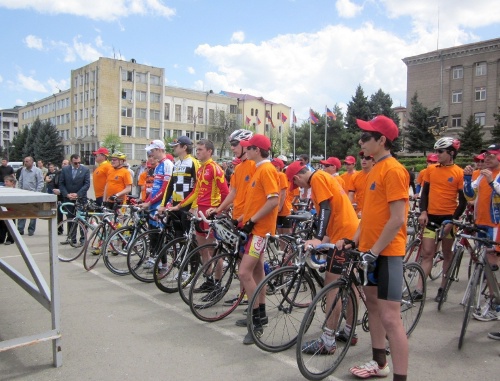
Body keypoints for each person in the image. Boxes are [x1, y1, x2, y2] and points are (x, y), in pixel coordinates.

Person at [337, 115, 409, 380]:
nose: (361, 141)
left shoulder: (394, 170)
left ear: (382, 140)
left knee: (391, 318)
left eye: (366, 137)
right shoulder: (372, 172)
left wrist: (375, 250)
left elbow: (398, 219)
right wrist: (354, 240)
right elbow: (367, 216)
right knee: (373, 306)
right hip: (371, 250)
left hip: (387, 252)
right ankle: (380, 364)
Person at [286, 157, 359, 351]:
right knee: (350, 285)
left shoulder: (317, 178)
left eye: (295, 182)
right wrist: (325, 238)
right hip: (344, 231)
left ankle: (328, 340)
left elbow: (325, 208)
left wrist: (318, 239)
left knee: (332, 284)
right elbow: (330, 211)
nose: (297, 186)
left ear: (298, 176)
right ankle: (350, 330)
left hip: (344, 234)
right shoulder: (322, 177)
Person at [237, 134, 279, 345]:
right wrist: (244, 217)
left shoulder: (267, 169)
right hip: (256, 229)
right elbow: (259, 200)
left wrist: (252, 220)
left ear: (258, 150)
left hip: (260, 232)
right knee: (256, 272)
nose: (246, 150)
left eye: (249, 147)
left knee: (244, 272)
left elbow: (273, 200)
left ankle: (256, 323)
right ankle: (261, 314)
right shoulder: (258, 169)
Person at [205, 129, 255, 307]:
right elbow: (233, 192)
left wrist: (244, 216)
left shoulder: (254, 166)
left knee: (249, 265)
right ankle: (245, 295)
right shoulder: (238, 168)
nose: (232, 148)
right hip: (239, 218)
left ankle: (253, 300)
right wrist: (219, 209)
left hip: (251, 221)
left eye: (235, 145)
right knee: (241, 259)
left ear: (246, 144)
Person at [170, 139, 228, 279]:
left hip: (210, 213)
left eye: (201, 149)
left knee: (213, 252)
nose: (198, 152)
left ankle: (218, 283)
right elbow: (195, 192)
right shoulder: (201, 168)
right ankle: (209, 280)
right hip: (200, 212)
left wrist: (218, 210)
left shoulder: (215, 168)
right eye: (197, 149)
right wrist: (179, 205)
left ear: (209, 151)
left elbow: (225, 192)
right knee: (202, 250)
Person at [418, 137, 466, 303]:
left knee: (447, 254)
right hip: (432, 217)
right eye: (435, 151)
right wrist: (423, 212)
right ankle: (419, 289)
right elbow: (424, 193)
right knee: (427, 254)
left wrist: (453, 220)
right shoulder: (431, 170)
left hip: (448, 218)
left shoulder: (459, 172)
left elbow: (463, 201)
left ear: (451, 153)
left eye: (440, 151)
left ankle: (442, 288)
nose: (436, 154)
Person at [463, 143, 500, 322]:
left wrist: (493, 183)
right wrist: (468, 178)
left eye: (491, 155)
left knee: (494, 267)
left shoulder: (496, 175)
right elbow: (470, 197)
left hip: (496, 226)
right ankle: (493, 300)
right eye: (485, 155)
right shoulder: (483, 175)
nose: (486, 158)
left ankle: (496, 306)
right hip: (481, 224)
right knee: (486, 267)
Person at [158, 136, 199, 239]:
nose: (174, 149)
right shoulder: (176, 163)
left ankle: (193, 255)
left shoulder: (194, 162)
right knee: (178, 235)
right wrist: (163, 205)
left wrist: (194, 207)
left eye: (176, 146)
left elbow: (198, 186)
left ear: (184, 147)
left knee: (188, 237)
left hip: (187, 204)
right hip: (175, 204)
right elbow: (170, 185)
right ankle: (180, 255)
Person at [59, 154, 91, 244]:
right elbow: (61, 184)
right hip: (68, 198)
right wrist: (67, 194)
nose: (77, 164)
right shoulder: (65, 170)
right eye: (75, 163)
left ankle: (83, 239)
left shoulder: (85, 170)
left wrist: (78, 194)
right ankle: (72, 239)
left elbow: (87, 184)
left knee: (82, 219)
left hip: (81, 198)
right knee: (70, 218)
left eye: (79, 163)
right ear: (71, 162)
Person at [17, 156, 44, 236]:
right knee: (22, 212)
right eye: (25, 161)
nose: (25, 163)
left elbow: (40, 183)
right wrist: (20, 190)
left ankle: (31, 230)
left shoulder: (37, 171)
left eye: (27, 161)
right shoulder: (23, 170)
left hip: (33, 195)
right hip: (24, 195)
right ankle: (20, 229)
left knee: (33, 213)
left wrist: (36, 193)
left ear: (32, 162)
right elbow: (20, 181)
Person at [349, 151, 375, 217]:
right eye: (362, 157)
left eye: (367, 158)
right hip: (358, 212)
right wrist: (349, 207)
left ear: (373, 161)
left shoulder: (379, 175)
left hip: (374, 212)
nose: (364, 160)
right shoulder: (355, 176)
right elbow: (350, 196)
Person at [271, 158, 292, 236]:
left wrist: (279, 206)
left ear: (277, 167)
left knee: (286, 234)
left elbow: (283, 192)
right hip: (278, 209)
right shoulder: (275, 176)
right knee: (279, 234)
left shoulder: (281, 175)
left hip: (284, 209)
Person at [52, 159, 69, 234]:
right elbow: (54, 182)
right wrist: (54, 189)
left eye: (65, 164)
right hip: (59, 197)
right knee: (59, 214)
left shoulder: (69, 174)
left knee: (69, 215)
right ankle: (59, 229)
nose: (63, 165)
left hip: (67, 197)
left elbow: (69, 186)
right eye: (62, 163)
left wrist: (61, 191)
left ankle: (70, 232)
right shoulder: (58, 173)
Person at [0, 175, 16, 244]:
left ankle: (10, 239)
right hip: (3, 210)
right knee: (2, 225)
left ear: (12, 183)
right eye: (5, 182)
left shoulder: (14, 191)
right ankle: (1, 238)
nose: (5, 183)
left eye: (7, 182)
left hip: (11, 210)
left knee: (11, 226)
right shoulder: (3, 189)